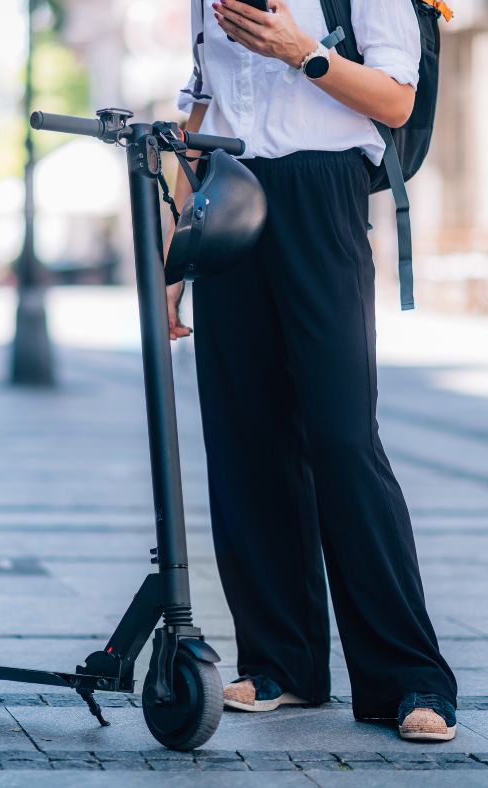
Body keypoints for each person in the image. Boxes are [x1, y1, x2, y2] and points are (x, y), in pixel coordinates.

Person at [167, 0, 459, 741]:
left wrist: (302, 50)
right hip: (229, 196)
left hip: (320, 191)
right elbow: (198, 113)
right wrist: (174, 260)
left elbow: (396, 98)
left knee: (340, 437)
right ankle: (280, 665)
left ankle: (410, 677)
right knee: (244, 441)